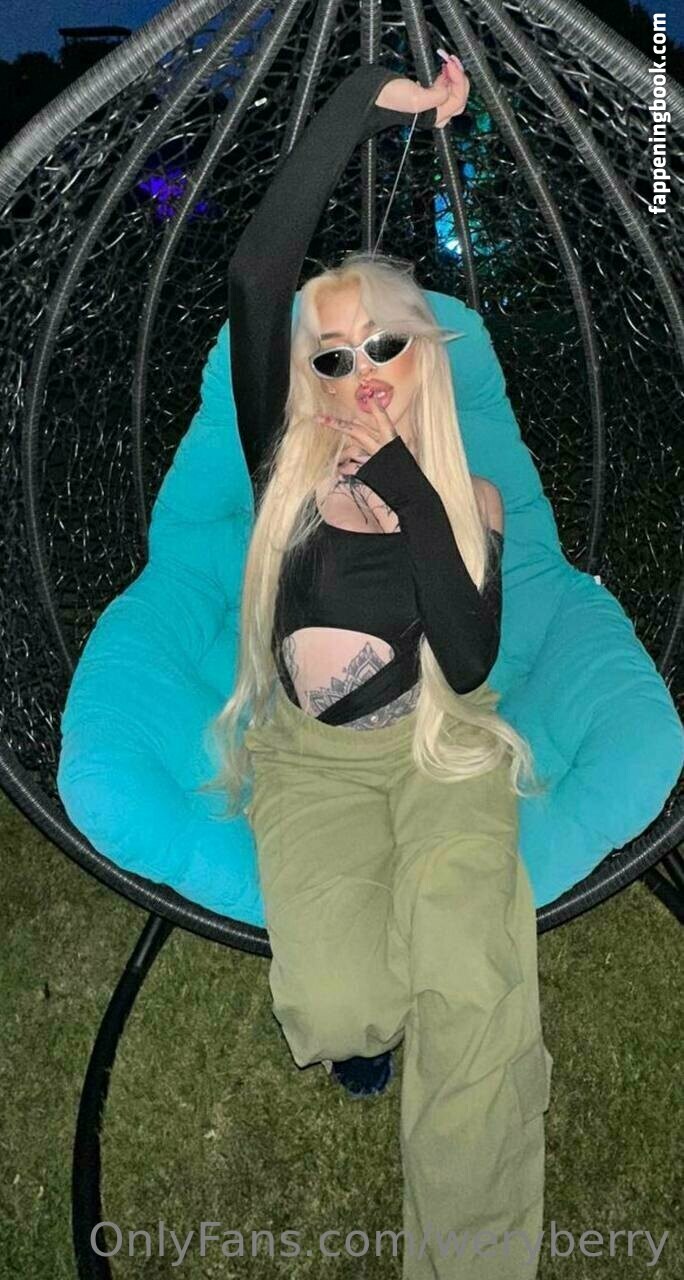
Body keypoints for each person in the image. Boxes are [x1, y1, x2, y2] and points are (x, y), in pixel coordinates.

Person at [204, 54, 553, 1280]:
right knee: (342, 1008)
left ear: (424, 358)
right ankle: (376, 1017)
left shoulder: (472, 498)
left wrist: (403, 479)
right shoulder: (281, 466)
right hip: (313, 760)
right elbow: (258, 273)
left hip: (438, 740)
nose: (359, 376)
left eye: (383, 347)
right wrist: (368, 95)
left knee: (473, 982)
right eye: (333, 357)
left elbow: (468, 651)